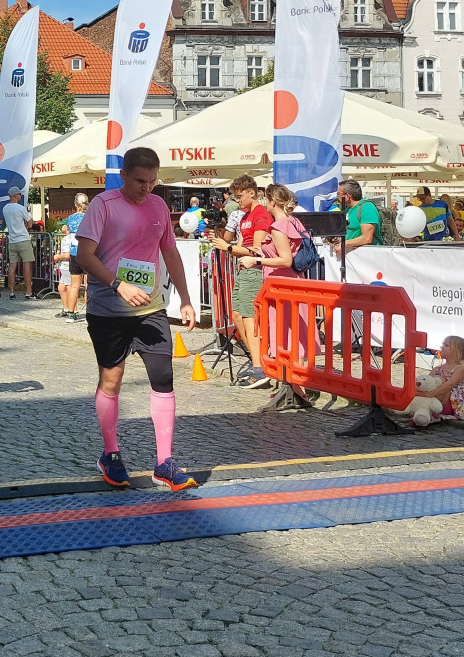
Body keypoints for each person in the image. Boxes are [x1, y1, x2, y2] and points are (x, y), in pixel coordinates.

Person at [75, 147, 198, 492]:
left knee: (164, 378)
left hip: (151, 308)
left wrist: (185, 300)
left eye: (153, 181)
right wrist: (117, 284)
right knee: (111, 380)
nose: (147, 188)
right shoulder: (103, 205)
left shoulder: (159, 206)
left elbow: (169, 251)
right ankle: (111, 454)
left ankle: (164, 462)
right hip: (109, 309)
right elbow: (84, 255)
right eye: (140, 181)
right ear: (124, 175)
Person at [237, 184, 320, 401]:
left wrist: (255, 259)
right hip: (292, 282)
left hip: (283, 285)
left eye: (265, 199)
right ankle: (294, 384)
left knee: (286, 335)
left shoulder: (279, 226)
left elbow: (285, 259)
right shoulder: (294, 222)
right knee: (294, 335)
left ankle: (297, 387)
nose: (264, 203)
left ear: (272, 201)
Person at [211, 174, 274, 389]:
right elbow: (239, 245)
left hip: (254, 270)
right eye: (235, 197)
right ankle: (258, 359)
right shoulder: (244, 216)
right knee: (237, 315)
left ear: (252, 193)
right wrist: (225, 244)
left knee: (249, 318)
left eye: (240, 196)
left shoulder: (261, 214)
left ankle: (260, 367)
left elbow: (255, 250)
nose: (237, 200)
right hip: (242, 269)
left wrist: (227, 247)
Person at [415, 336, 464, 422]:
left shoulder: (460, 369)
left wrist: (430, 394)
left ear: (456, 350)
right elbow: (426, 382)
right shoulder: (437, 368)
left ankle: (425, 410)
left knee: (441, 381)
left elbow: (449, 385)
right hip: (434, 401)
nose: (442, 347)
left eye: (446, 345)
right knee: (429, 382)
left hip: (452, 404)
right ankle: (422, 410)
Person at [2, 186, 36, 300]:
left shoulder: (5, 208)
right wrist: (25, 226)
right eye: (19, 194)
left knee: (12, 266)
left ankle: (11, 292)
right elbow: (30, 223)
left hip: (12, 240)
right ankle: (28, 292)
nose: (20, 196)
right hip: (23, 239)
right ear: (15, 195)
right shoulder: (21, 208)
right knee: (27, 266)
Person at [60, 193, 88, 322]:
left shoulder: (71, 219)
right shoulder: (90, 217)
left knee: (74, 286)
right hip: (88, 253)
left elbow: (65, 228)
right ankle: (90, 313)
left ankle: (71, 314)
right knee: (89, 286)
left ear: (75, 204)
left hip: (74, 254)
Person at [336, 179, 382, 250]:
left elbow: (366, 239)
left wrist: (345, 243)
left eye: (339, 194)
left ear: (348, 196)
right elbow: (350, 234)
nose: (337, 197)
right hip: (351, 254)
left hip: (367, 255)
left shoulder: (367, 207)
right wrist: (338, 240)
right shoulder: (347, 209)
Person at [53, 232, 72, 318]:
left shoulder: (66, 239)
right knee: (61, 287)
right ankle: (66, 309)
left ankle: (72, 311)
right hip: (65, 266)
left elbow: (67, 255)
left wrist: (57, 257)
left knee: (70, 288)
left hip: (67, 266)